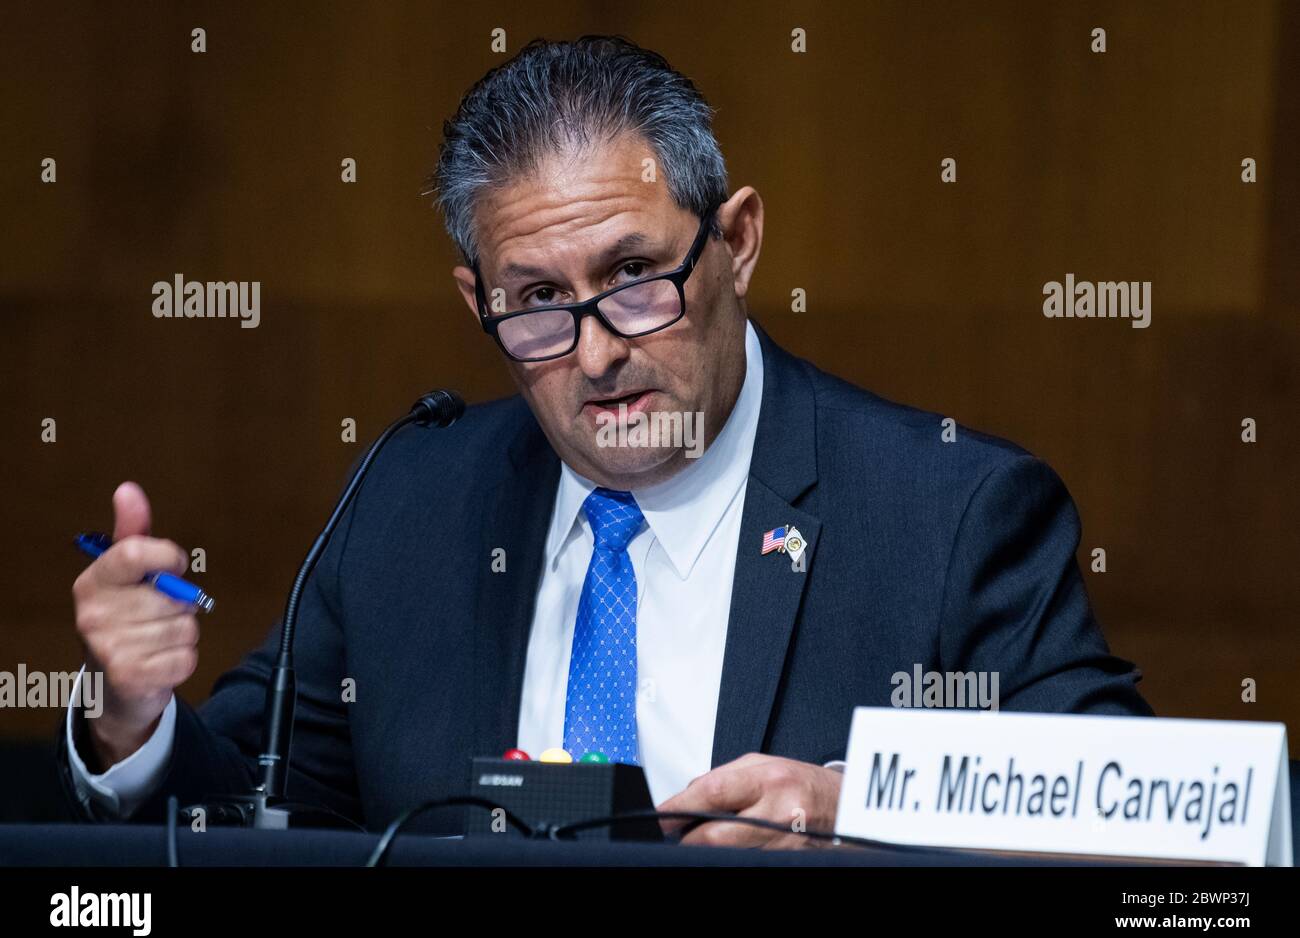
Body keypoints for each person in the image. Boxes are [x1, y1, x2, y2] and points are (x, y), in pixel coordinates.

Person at [60, 35, 1151, 849]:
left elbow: (1140, 814)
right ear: (473, 298)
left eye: (634, 278)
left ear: (736, 241)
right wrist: (133, 715)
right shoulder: (409, 501)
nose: (592, 354)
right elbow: (265, 815)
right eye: (535, 298)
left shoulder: (949, 513)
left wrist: (858, 812)